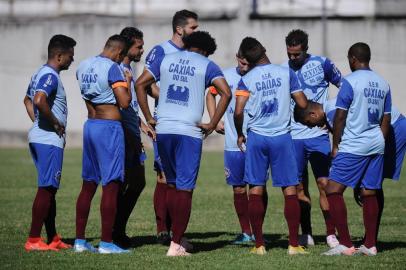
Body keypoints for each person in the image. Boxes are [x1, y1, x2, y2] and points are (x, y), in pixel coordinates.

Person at [136, 31, 231, 256]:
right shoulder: (207, 65)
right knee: (185, 189)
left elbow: (140, 84)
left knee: (171, 184)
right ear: (206, 51)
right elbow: (225, 93)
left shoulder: (166, 60)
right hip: (189, 131)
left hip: (165, 129)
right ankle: (176, 244)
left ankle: (175, 237)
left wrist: (149, 116)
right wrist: (212, 123)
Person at [294, 99, 406, 246]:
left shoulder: (334, 115)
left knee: (370, 185)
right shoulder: (330, 112)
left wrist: (356, 181)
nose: (311, 126)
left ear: (313, 114)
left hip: (392, 126)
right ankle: (370, 241)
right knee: (370, 185)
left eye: (308, 123)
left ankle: (364, 242)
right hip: (390, 125)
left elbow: (352, 148)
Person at [234, 37, 308, 255]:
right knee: (290, 189)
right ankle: (293, 244)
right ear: (264, 50)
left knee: (255, 188)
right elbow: (303, 103)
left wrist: (239, 133)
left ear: (246, 59)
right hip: (282, 137)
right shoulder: (286, 73)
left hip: (257, 137)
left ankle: (259, 246)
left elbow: (238, 111)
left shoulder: (247, 78)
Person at [321, 42, 391, 256]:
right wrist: (380, 140)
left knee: (333, 190)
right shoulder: (383, 83)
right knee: (369, 191)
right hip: (376, 143)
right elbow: (386, 118)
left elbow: (340, 115)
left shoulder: (350, 82)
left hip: (354, 145)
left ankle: (346, 243)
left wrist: (335, 145)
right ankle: (370, 245)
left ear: (352, 58)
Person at [142, 9, 199, 244]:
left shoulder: (192, 54)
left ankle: (177, 230)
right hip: (165, 123)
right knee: (164, 177)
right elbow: (145, 84)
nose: (197, 31)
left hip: (186, 125)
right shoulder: (161, 51)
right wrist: (164, 100)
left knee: (182, 180)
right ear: (179, 29)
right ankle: (162, 228)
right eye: (193, 28)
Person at [74, 35, 132, 254]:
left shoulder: (83, 65)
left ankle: (80, 241)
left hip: (90, 125)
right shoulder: (113, 68)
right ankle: (107, 243)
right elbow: (124, 102)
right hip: (109, 129)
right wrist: (126, 83)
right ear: (118, 53)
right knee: (112, 183)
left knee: (88, 184)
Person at [284, 29, 342, 247]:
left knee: (324, 183)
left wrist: (332, 113)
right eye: (289, 54)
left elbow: (344, 86)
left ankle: (330, 233)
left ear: (305, 50)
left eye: (296, 54)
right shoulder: (283, 69)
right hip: (294, 137)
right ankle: (306, 232)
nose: (292, 58)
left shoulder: (322, 64)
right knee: (298, 186)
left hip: (318, 134)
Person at [23, 34, 76, 251]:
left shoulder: (40, 73)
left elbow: (27, 99)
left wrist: (37, 122)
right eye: (71, 56)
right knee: (46, 189)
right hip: (48, 141)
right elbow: (37, 100)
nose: (73, 60)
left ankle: (53, 237)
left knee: (50, 189)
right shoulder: (50, 75)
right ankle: (34, 239)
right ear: (59, 56)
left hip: (40, 137)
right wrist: (54, 123)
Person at [206, 51, 257, 244]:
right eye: (242, 62)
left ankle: (258, 231)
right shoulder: (225, 76)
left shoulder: (258, 76)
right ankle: (246, 232)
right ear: (237, 57)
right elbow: (210, 95)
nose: (245, 66)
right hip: (232, 143)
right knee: (238, 189)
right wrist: (215, 120)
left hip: (256, 141)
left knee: (257, 188)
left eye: (248, 63)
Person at [112, 27, 155, 248]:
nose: (142, 49)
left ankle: (117, 230)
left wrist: (143, 126)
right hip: (123, 136)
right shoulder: (118, 70)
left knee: (136, 182)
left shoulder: (129, 69)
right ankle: (114, 232)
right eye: (139, 46)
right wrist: (129, 135)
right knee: (124, 183)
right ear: (127, 47)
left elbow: (130, 108)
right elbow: (119, 106)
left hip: (132, 133)